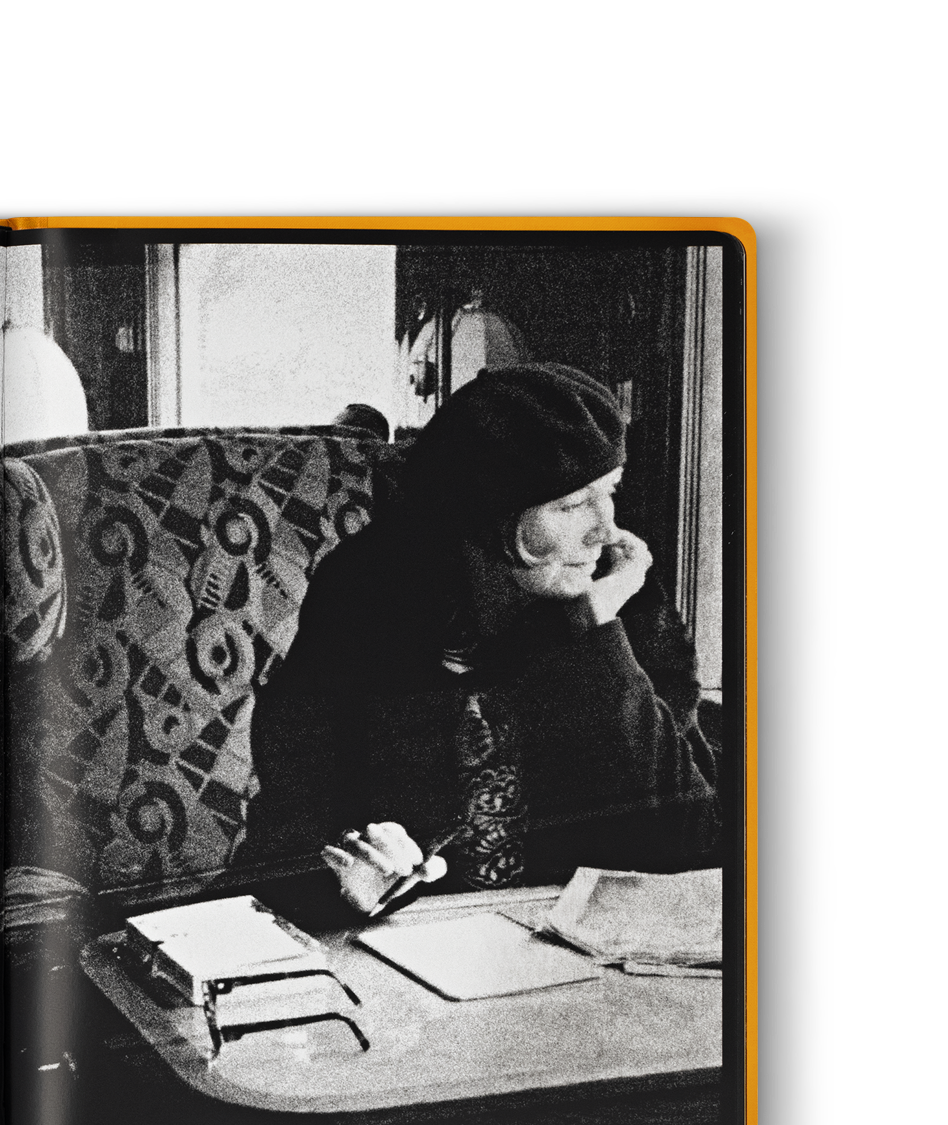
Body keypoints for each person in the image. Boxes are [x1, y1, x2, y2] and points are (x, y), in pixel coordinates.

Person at [244, 362, 718, 917]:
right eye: (570, 505)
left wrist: (593, 633)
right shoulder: (367, 593)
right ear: (485, 513)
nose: (605, 529)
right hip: (412, 939)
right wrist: (353, 880)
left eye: (608, 492)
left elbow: (690, 841)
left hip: (573, 941)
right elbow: (290, 825)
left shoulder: (623, 597)